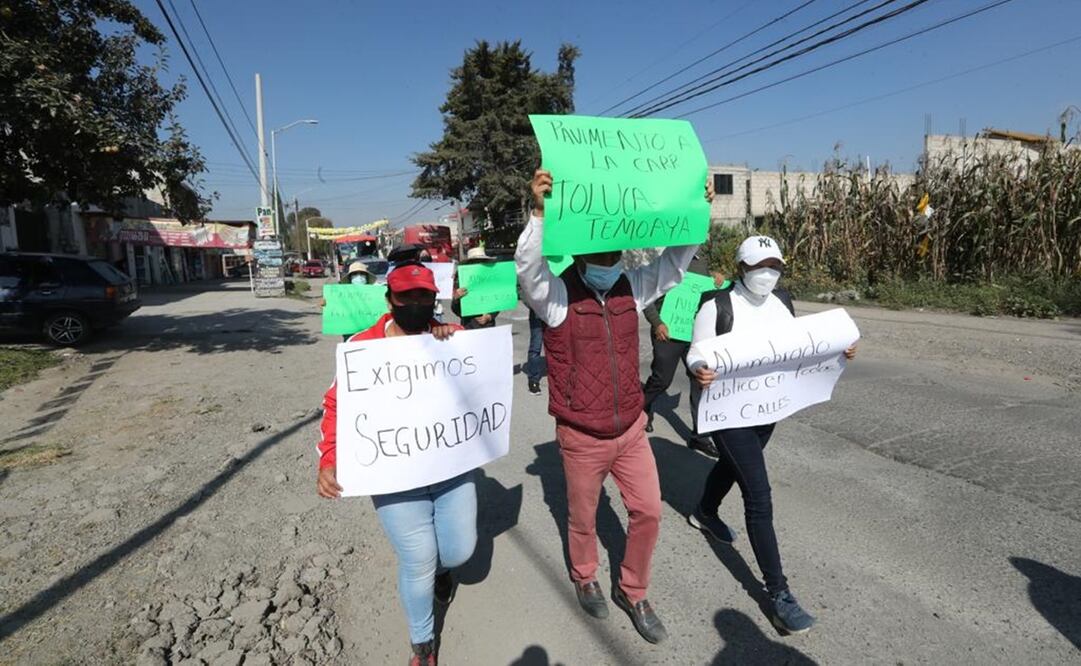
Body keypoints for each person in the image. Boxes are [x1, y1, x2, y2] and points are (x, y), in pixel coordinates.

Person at [516, 168, 714, 644]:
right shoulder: (558, 297)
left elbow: (674, 266)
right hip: (581, 436)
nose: (609, 260)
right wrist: (539, 214)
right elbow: (528, 271)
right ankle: (584, 575)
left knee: (648, 511)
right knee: (583, 519)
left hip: (630, 431)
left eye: (614, 253)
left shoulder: (632, 286)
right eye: (599, 253)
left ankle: (633, 590)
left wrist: (697, 208)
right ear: (582, 253)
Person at [685, 235, 857, 636]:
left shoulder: (782, 303)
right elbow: (696, 351)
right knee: (758, 495)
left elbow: (799, 348)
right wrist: (699, 368)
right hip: (728, 412)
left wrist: (838, 351)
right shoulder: (717, 305)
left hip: (766, 410)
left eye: (775, 266)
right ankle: (778, 594)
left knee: (733, 467)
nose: (768, 274)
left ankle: (704, 512)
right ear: (741, 268)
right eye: (760, 266)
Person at [316, 263, 474, 666]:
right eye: (408, 297)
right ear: (391, 300)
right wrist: (330, 459)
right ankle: (422, 644)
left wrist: (457, 337)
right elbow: (336, 406)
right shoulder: (362, 348)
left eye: (425, 297)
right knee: (418, 556)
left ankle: (443, 570)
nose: (417, 304)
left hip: (450, 470)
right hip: (394, 476)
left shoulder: (448, 338)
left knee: (458, 552)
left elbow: (478, 385)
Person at [641, 253, 725, 457]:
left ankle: (700, 437)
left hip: (693, 333)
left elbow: (706, 293)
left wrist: (716, 279)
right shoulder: (662, 260)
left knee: (700, 381)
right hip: (667, 332)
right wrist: (657, 322)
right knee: (662, 380)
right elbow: (647, 297)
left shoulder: (701, 260)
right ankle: (641, 409)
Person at [451, 246, 500, 330]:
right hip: (468, 327)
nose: (478, 265)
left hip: (488, 328)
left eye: (482, 262)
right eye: (475, 262)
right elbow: (456, 311)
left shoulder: (490, 281)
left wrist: (489, 316)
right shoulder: (462, 283)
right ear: (470, 264)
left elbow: (498, 301)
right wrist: (456, 298)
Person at [524, 306, 545, 395]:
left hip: (554, 311)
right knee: (536, 346)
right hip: (537, 311)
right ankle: (533, 380)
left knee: (558, 347)